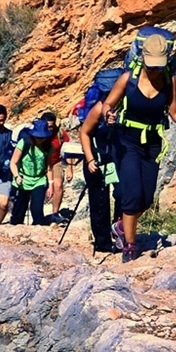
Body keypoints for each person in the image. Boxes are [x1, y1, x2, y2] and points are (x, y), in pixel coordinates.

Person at [100, 34, 176, 262]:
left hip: (152, 143)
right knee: (132, 194)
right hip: (126, 140)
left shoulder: (169, 80)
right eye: (152, 66)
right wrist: (107, 113)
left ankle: (121, 226)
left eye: (160, 66)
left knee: (147, 199)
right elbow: (108, 103)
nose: (156, 70)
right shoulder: (128, 79)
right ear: (144, 59)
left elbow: (174, 110)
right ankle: (129, 245)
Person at [78, 104, 121, 253]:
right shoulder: (98, 108)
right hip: (96, 159)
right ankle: (102, 243)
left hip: (117, 159)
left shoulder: (127, 106)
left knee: (123, 195)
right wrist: (90, 159)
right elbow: (84, 132)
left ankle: (119, 233)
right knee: (99, 202)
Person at [9, 119, 54, 225]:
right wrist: (16, 176)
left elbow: (49, 167)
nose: (40, 140)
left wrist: (51, 184)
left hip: (39, 180)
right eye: (38, 137)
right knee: (18, 212)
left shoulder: (48, 147)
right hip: (23, 179)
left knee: (37, 210)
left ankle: (38, 231)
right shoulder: (24, 143)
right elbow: (13, 163)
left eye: (42, 137)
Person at [41, 112, 72, 216]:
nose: (50, 129)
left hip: (55, 162)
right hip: (40, 163)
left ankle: (55, 213)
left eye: (51, 126)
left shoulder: (59, 133)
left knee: (58, 185)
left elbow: (68, 149)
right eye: (48, 126)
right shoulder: (38, 133)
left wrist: (70, 168)